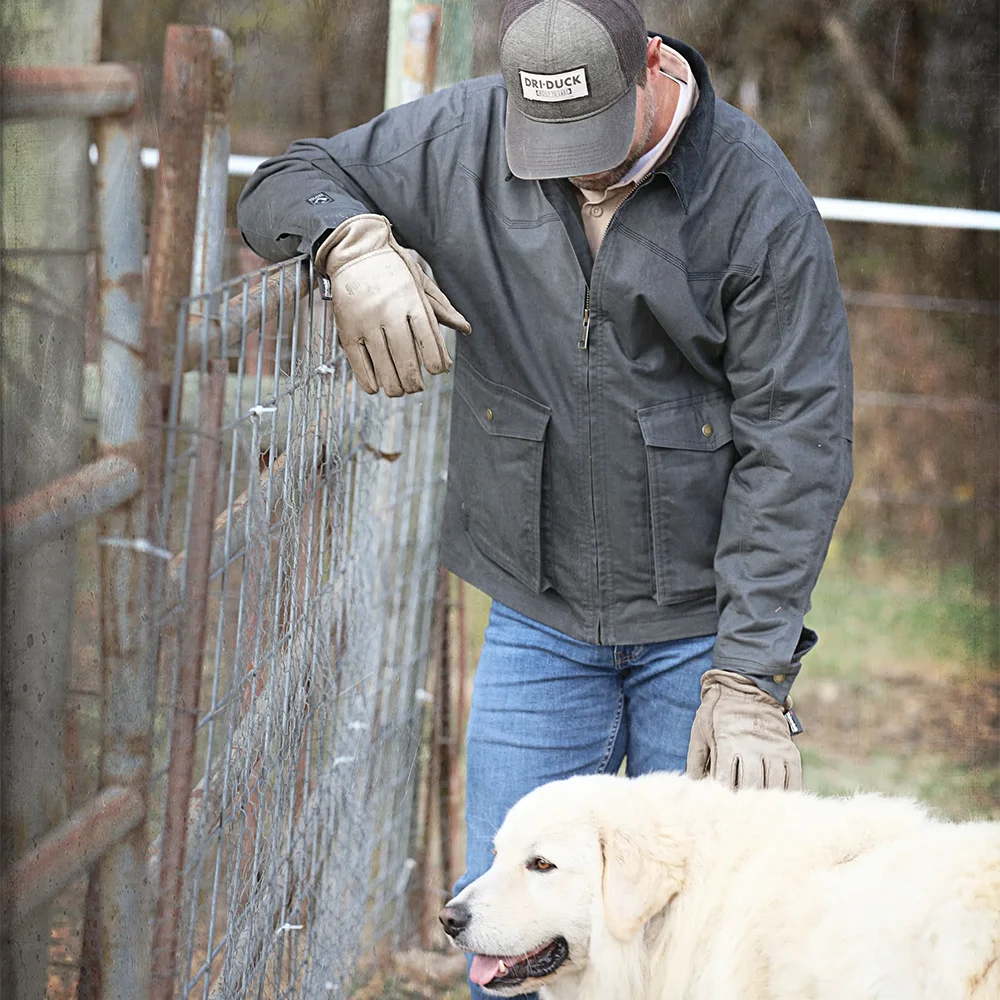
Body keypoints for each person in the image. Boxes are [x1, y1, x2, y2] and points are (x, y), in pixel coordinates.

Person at [238, 0, 853, 993]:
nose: (578, 167)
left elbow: (799, 442)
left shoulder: (754, 200)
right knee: (510, 935)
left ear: (653, 69)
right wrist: (347, 243)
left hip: (702, 628)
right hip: (537, 606)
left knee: (706, 940)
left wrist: (749, 677)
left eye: (597, 139)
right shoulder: (462, 136)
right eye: (553, 144)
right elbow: (284, 180)